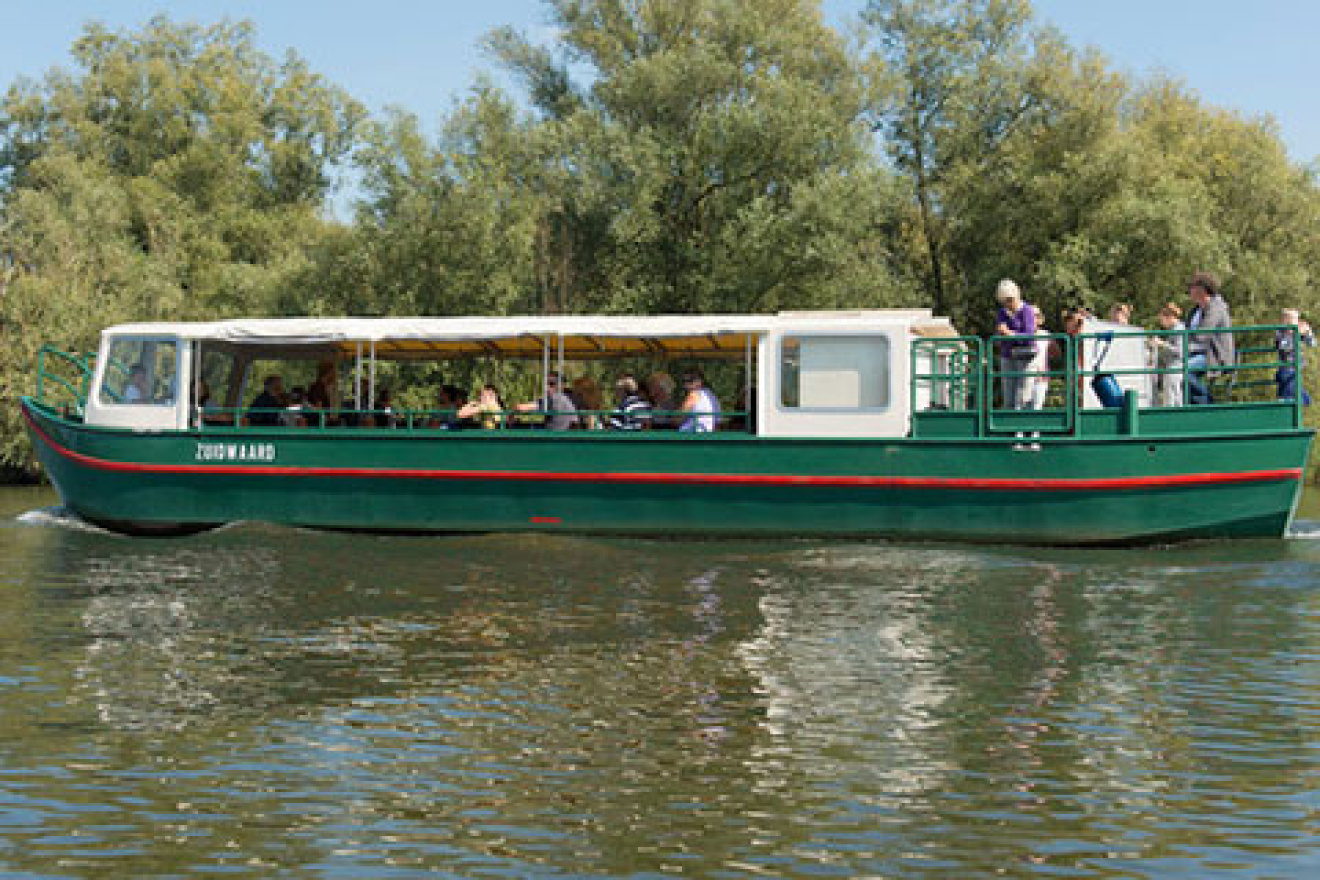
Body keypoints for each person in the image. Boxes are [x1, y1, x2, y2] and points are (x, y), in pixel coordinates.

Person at [1186, 271, 1234, 404]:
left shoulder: (1216, 307)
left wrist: (1184, 341)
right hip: (1195, 353)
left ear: (1202, 289)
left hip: (1214, 356)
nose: (1189, 290)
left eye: (1192, 287)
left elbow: (1202, 334)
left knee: (1183, 371)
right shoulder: (1196, 310)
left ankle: (1207, 404)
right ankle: (1191, 407)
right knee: (1171, 370)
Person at [993, 278, 1037, 410]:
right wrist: (1003, 334)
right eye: (1005, 301)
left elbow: (1029, 336)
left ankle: (1023, 428)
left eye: (1010, 299)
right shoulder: (1002, 313)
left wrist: (1010, 334)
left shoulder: (1027, 311)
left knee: (1023, 395)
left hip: (1025, 357)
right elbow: (1000, 331)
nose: (1008, 303)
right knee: (1008, 395)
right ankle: (1010, 428)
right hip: (1007, 356)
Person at [1147, 303, 1186, 407]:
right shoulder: (1174, 330)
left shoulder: (1178, 330)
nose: (1161, 323)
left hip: (1175, 368)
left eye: (1162, 320)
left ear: (1169, 317)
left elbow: (1179, 351)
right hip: (1171, 367)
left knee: (1173, 397)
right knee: (1172, 396)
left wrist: (1162, 344)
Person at [1275, 308, 1316, 403]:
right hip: (1287, 368)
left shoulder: (1297, 330)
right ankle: (1284, 404)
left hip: (1296, 368)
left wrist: (1308, 332)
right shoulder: (1281, 331)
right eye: (1293, 318)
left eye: (1296, 318)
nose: (1296, 321)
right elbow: (1284, 347)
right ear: (1285, 320)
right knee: (1290, 396)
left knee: (1302, 397)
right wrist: (1293, 333)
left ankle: (1286, 402)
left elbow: (1312, 344)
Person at [515, 372, 579, 430]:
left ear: (561, 386)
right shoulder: (567, 399)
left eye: (551, 384)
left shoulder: (554, 399)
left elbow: (521, 408)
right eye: (546, 384)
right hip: (562, 434)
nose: (547, 387)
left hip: (552, 436)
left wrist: (512, 414)